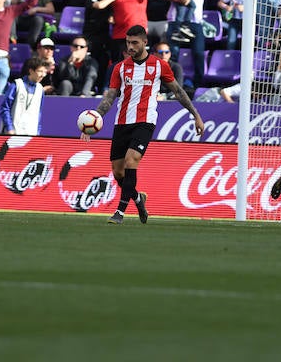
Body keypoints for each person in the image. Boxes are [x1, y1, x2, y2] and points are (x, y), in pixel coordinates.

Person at [82, 24, 204, 224]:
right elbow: (109, 98)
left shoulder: (159, 65)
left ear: (145, 42)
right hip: (122, 122)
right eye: (128, 42)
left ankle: (120, 212)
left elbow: (179, 92)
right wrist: (93, 119)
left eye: (134, 43)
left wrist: (195, 114)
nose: (130, 46)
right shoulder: (120, 68)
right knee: (118, 172)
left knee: (132, 160)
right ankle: (138, 199)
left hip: (145, 121)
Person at [0, 56, 48, 135]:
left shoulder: (40, 89)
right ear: (31, 71)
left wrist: (37, 132)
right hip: (12, 134)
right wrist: (9, 128)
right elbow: (5, 108)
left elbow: (39, 113)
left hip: (31, 135)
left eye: (44, 71)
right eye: (40, 71)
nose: (43, 75)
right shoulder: (16, 85)